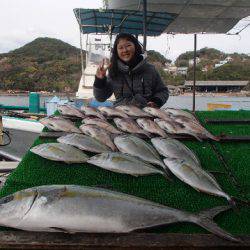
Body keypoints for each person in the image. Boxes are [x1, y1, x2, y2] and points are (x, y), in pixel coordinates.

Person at [93, 33, 169, 108]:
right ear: (116, 52)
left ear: (135, 46)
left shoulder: (150, 69)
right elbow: (101, 98)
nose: (125, 50)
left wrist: (156, 101)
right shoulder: (114, 70)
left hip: (145, 114)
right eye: (120, 48)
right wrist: (99, 80)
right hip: (120, 115)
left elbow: (163, 91)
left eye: (128, 45)